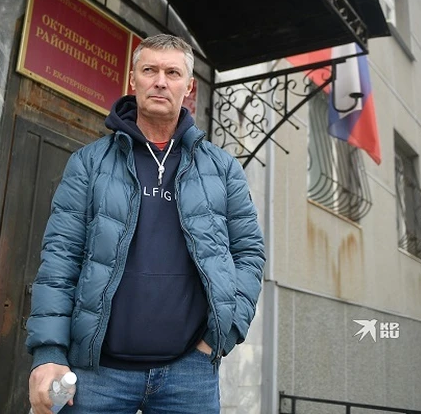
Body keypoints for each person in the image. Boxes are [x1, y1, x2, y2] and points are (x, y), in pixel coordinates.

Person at [26, 34, 266, 414]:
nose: (160, 81)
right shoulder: (89, 163)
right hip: (97, 370)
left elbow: (249, 253)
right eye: (150, 70)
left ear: (189, 87)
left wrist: (222, 334)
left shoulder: (222, 169)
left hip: (190, 372)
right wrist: (49, 352)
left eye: (173, 73)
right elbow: (60, 257)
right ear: (132, 79)